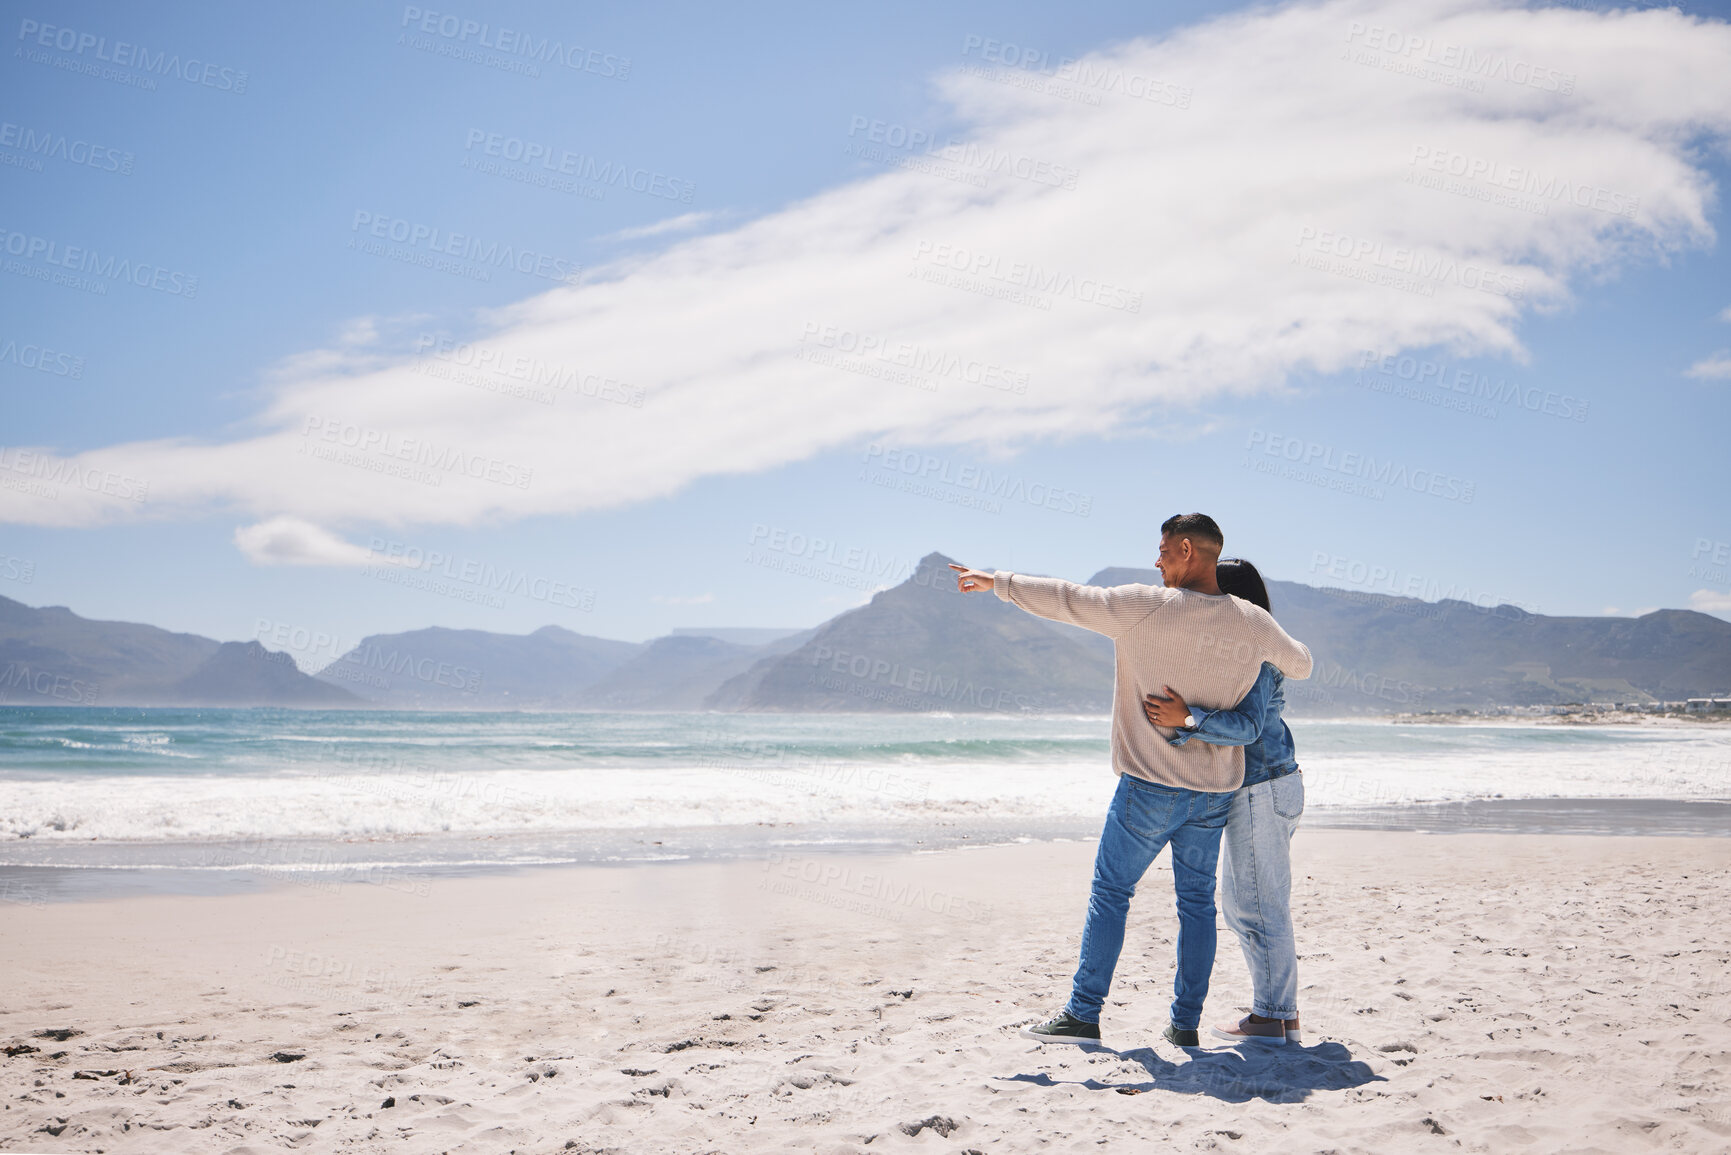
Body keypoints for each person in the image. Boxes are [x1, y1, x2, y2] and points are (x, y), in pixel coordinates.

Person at [949, 515, 1312, 1049]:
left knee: (1111, 893)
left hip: (1149, 786)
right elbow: (1300, 664)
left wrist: (997, 582)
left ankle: (1083, 1014)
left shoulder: (1146, 605)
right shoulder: (1251, 621)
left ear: (1187, 550)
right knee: (1196, 906)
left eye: (1163, 550)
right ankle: (1185, 1025)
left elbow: (1067, 598)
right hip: (1213, 794)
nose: (1157, 560)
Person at [1143, 558, 1304, 1046]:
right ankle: (1280, 1014)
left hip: (1261, 788)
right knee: (1245, 905)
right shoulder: (1247, 647)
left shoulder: (1255, 652)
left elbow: (1249, 728)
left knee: (1257, 906)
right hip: (1266, 786)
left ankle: (1274, 1016)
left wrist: (1188, 719)